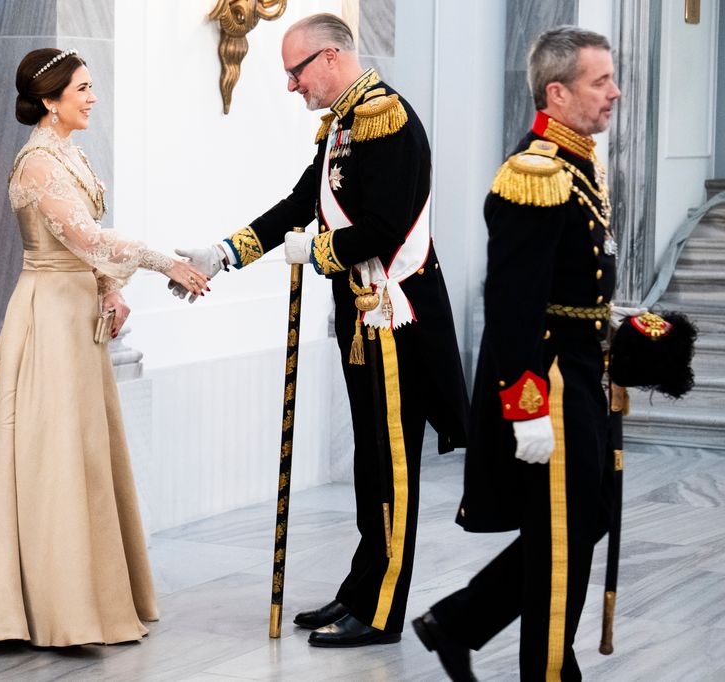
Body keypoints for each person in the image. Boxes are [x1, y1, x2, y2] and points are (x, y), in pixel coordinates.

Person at [0, 48, 208, 647]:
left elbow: (87, 251)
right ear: (49, 100)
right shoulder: (36, 161)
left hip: (76, 315)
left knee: (80, 455)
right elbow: (88, 238)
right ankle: (35, 606)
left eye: (92, 86)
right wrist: (165, 261)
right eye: (82, 89)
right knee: (46, 455)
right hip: (44, 317)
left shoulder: (69, 152)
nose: (92, 97)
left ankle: (84, 597)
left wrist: (112, 290)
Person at [174, 13, 468, 648]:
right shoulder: (344, 126)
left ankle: (383, 609)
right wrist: (221, 254)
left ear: (332, 57)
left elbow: (386, 228)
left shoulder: (386, 120)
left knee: (393, 470)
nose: (290, 85)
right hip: (364, 322)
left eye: (294, 71)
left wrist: (316, 253)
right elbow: (297, 205)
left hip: (396, 322)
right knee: (370, 467)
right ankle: (360, 590)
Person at [412, 26, 621, 681]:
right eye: (600, 82)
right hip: (550, 386)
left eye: (613, 79)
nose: (614, 92)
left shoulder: (577, 162)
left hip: (583, 375)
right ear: (556, 93)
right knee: (563, 538)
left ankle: (459, 623)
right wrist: (525, 406)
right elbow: (511, 305)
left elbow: (580, 291)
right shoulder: (534, 173)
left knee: (582, 524)